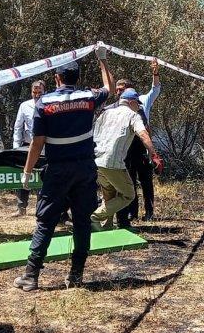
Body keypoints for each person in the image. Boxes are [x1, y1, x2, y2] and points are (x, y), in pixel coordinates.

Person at [13, 49, 114, 291]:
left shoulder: (44, 103)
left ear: (57, 78)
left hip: (57, 170)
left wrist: (26, 172)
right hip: (84, 169)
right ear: (76, 78)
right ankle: (76, 275)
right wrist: (102, 59)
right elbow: (109, 87)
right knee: (81, 221)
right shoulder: (89, 98)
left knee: (46, 222)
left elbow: (37, 142)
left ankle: (31, 275)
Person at [91, 87, 163, 232]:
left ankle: (108, 225)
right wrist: (154, 155)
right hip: (113, 162)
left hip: (97, 160)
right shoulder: (133, 115)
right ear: (131, 102)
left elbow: (94, 134)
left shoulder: (105, 112)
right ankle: (95, 217)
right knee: (128, 194)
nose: (138, 107)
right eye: (137, 104)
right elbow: (143, 134)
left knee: (109, 193)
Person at [117, 59, 162, 224]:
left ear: (128, 89)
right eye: (117, 90)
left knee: (146, 181)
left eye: (121, 90)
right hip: (127, 148)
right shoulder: (117, 106)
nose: (118, 93)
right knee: (129, 181)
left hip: (142, 147)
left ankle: (149, 212)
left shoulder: (143, 100)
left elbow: (155, 89)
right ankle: (132, 212)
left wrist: (155, 72)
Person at [12, 80, 47, 216]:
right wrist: (16, 147)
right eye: (34, 92)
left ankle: (41, 209)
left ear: (44, 91)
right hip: (27, 147)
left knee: (42, 176)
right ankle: (21, 207)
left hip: (45, 147)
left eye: (40, 92)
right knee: (24, 173)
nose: (37, 94)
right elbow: (18, 127)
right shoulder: (24, 105)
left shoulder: (49, 104)